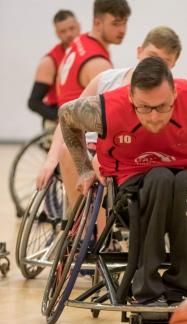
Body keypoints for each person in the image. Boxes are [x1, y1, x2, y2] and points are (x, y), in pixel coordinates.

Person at [59, 56, 187, 306]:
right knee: (159, 178)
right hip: (132, 188)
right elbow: (66, 116)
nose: (154, 116)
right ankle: (145, 287)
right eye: (144, 108)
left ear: (175, 93)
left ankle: (184, 286)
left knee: (186, 182)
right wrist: (84, 169)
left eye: (162, 106)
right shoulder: (107, 108)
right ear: (131, 98)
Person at [36, 26, 181, 198]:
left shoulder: (171, 95)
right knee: (67, 150)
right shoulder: (106, 79)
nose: (156, 64)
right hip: (91, 149)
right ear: (139, 51)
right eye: (152, 55)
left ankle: (103, 221)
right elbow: (68, 118)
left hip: (130, 156)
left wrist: (105, 156)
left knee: (107, 173)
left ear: (172, 65)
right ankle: (75, 221)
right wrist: (51, 159)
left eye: (165, 61)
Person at [36, 0, 131, 190]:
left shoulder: (79, 41)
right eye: (115, 23)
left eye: (125, 22)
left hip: (65, 128)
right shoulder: (98, 64)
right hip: (76, 136)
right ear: (97, 22)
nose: (122, 29)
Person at [28, 10, 80, 123]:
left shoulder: (88, 52)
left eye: (72, 28)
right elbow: (34, 102)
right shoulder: (50, 61)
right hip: (58, 119)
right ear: (57, 33)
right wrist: (61, 118)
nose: (69, 34)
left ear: (79, 26)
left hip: (82, 115)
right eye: (63, 31)